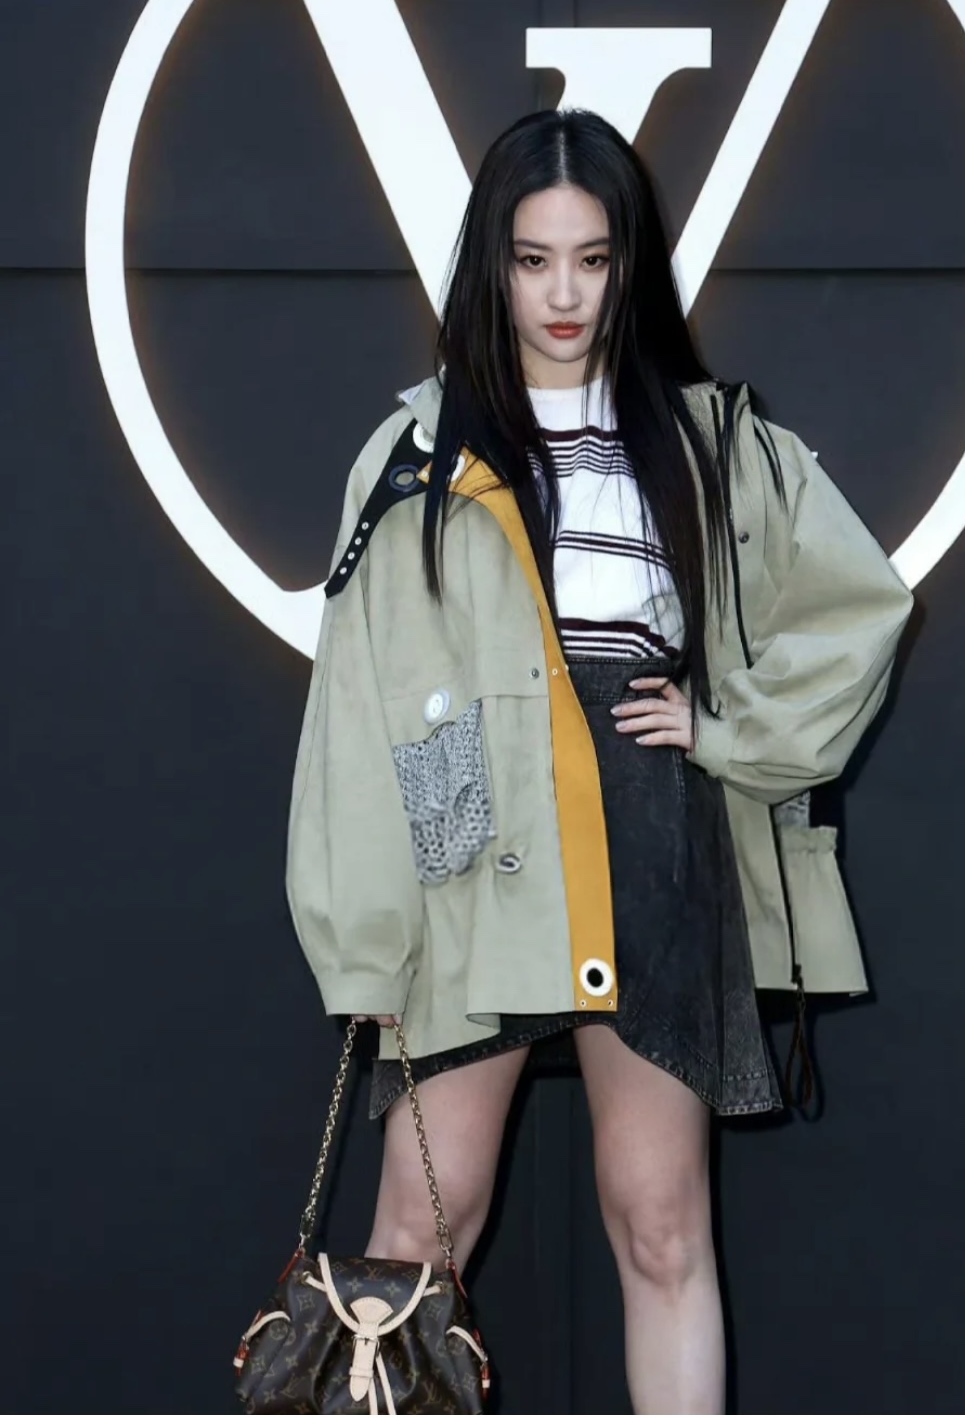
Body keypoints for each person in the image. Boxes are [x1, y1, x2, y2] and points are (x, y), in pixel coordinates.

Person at [285, 106, 914, 1415]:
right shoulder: (415, 457)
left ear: (630, 264)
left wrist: (726, 732)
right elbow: (360, 709)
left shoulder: (709, 441)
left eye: (592, 258)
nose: (564, 294)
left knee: (662, 1227)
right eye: (533, 260)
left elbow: (859, 610)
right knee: (415, 1238)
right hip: (475, 851)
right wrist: (371, 939)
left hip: (647, 847)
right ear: (493, 266)